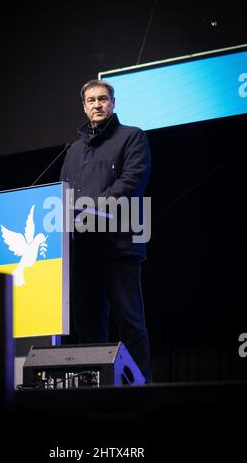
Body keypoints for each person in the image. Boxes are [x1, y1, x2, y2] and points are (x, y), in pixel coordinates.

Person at [60, 79, 152, 382]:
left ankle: (141, 387)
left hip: (118, 247)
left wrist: (87, 207)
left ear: (113, 103)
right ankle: (93, 387)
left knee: (129, 322)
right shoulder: (73, 150)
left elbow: (131, 182)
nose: (97, 105)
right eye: (91, 101)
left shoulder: (132, 137)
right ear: (84, 107)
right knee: (88, 325)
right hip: (84, 250)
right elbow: (63, 194)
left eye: (103, 99)